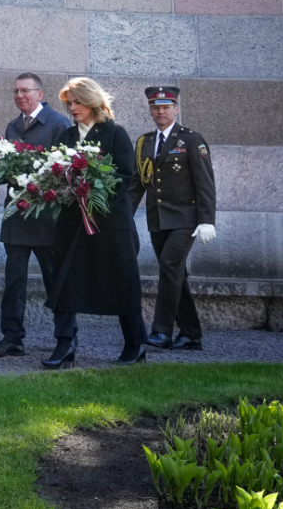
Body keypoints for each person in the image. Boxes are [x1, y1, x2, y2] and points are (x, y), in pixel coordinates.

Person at [43, 77, 146, 368]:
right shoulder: (65, 136)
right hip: (71, 223)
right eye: (69, 103)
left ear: (92, 102)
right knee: (65, 282)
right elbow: (54, 171)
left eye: (77, 102)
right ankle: (65, 344)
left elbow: (126, 175)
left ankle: (135, 344)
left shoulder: (115, 133)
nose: (72, 108)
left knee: (122, 281)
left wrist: (94, 197)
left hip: (110, 224)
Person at [0, 73, 75, 358]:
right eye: (15, 91)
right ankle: (12, 337)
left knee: (55, 281)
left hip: (48, 218)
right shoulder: (13, 126)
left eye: (25, 90)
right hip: (17, 217)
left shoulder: (59, 124)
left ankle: (66, 340)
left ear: (40, 94)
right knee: (14, 281)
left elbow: (66, 171)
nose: (19, 95)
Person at [128, 85, 217, 351]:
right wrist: (123, 216)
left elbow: (205, 183)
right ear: (150, 110)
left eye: (166, 107)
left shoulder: (191, 140)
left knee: (169, 267)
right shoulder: (145, 142)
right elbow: (137, 184)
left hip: (185, 219)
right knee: (175, 273)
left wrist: (207, 220)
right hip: (158, 219)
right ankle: (191, 334)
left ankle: (162, 331)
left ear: (176, 109)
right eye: (156, 107)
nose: (161, 112)